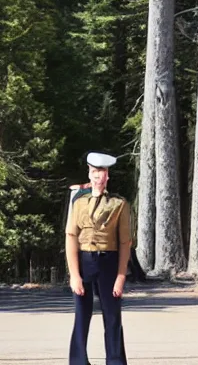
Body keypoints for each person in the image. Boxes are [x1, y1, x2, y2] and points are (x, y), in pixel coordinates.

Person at [65, 152, 131, 365]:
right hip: (84, 262)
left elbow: (124, 243)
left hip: (108, 262)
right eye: (94, 172)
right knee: (81, 316)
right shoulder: (79, 203)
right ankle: (78, 361)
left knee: (112, 318)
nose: (98, 176)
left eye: (101, 172)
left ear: (107, 176)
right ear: (89, 174)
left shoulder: (118, 204)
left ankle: (115, 361)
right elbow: (71, 237)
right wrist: (74, 275)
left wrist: (121, 277)